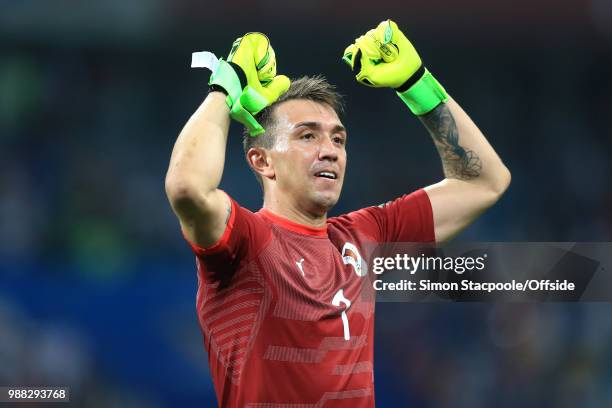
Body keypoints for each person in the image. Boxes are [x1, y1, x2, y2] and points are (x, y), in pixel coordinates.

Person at [165, 20, 510, 407]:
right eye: (307, 135)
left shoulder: (364, 236)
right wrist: (224, 89)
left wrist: (418, 85)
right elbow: (187, 187)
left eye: (338, 138)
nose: (330, 150)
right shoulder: (245, 242)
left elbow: (484, 183)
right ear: (262, 161)